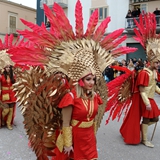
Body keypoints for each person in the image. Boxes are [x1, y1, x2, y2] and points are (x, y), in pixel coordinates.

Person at [7, 0, 137, 159]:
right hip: (74, 139)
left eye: (94, 79)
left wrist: (93, 135)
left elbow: (95, 119)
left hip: (89, 138)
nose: (92, 83)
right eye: (89, 79)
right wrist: (68, 144)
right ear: (81, 80)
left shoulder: (95, 96)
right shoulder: (70, 97)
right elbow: (66, 123)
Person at [120, 13, 160, 148]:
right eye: (157, 62)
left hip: (150, 98)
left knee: (155, 118)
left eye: (159, 62)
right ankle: (144, 139)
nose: (159, 64)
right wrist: (147, 103)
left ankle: (141, 130)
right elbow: (142, 89)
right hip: (144, 99)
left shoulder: (154, 72)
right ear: (151, 61)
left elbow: (154, 87)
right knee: (148, 117)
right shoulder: (144, 72)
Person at [0, 65, 16, 130]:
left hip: (12, 94)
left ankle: (8, 123)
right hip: (4, 94)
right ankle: (2, 119)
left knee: (11, 110)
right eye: (6, 67)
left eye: (9, 67)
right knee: (6, 110)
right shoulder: (1, 76)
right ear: (4, 68)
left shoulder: (13, 75)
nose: (8, 68)